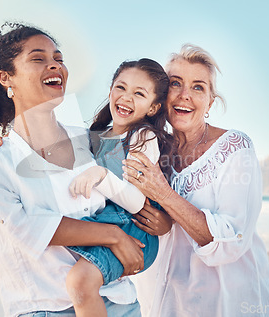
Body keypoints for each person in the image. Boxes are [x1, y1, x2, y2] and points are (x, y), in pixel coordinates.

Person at [0, 23, 144, 317]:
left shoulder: (90, 140)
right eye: (38, 58)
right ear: (7, 78)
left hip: (120, 301)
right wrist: (112, 235)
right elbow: (22, 228)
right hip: (44, 307)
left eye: (58, 58)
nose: (55, 66)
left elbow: (133, 202)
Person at [122, 44, 269, 316]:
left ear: (209, 102)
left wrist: (164, 194)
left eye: (198, 87)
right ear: (160, 95)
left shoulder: (235, 147)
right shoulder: (152, 148)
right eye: (175, 84)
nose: (185, 95)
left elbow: (231, 239)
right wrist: (162, 225)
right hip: (169, 301)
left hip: (228, 303)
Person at [65, 58, 173, 317]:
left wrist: (101, 175)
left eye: (139, 93)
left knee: (79, 282)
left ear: (153, 107)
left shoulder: (143, 137)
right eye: (120, 88)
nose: (126, 97)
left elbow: (136, 203)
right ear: (111, 90)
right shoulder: (95, 134)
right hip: (102, 225)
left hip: (133, 230)